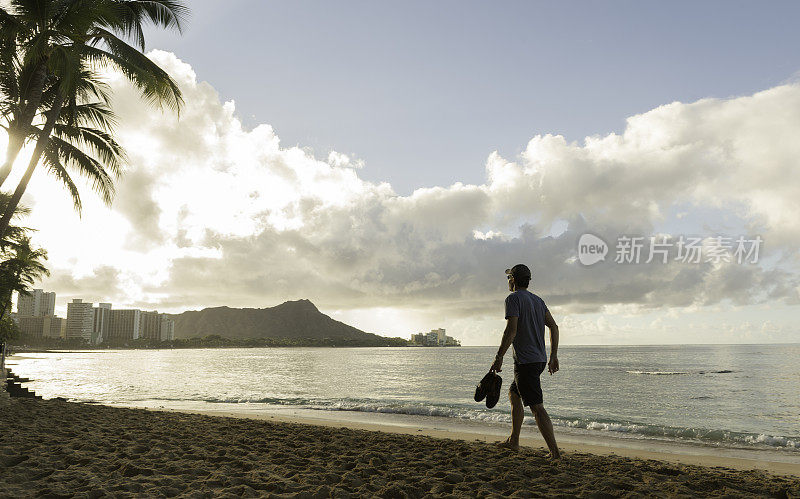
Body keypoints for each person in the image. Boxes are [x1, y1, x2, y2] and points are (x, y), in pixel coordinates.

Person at [490, 264, 560, 459]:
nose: (508, 281)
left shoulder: (513, 299)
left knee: (537, 407)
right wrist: (553, 355)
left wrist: (499, 357)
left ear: (513, 279)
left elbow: (510, 330)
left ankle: (555, 453)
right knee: (514, 394)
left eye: (508, 278)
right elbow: (554, 326)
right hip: (538, 360)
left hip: (526, 362)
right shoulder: (538, 301)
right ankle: (514, 441)